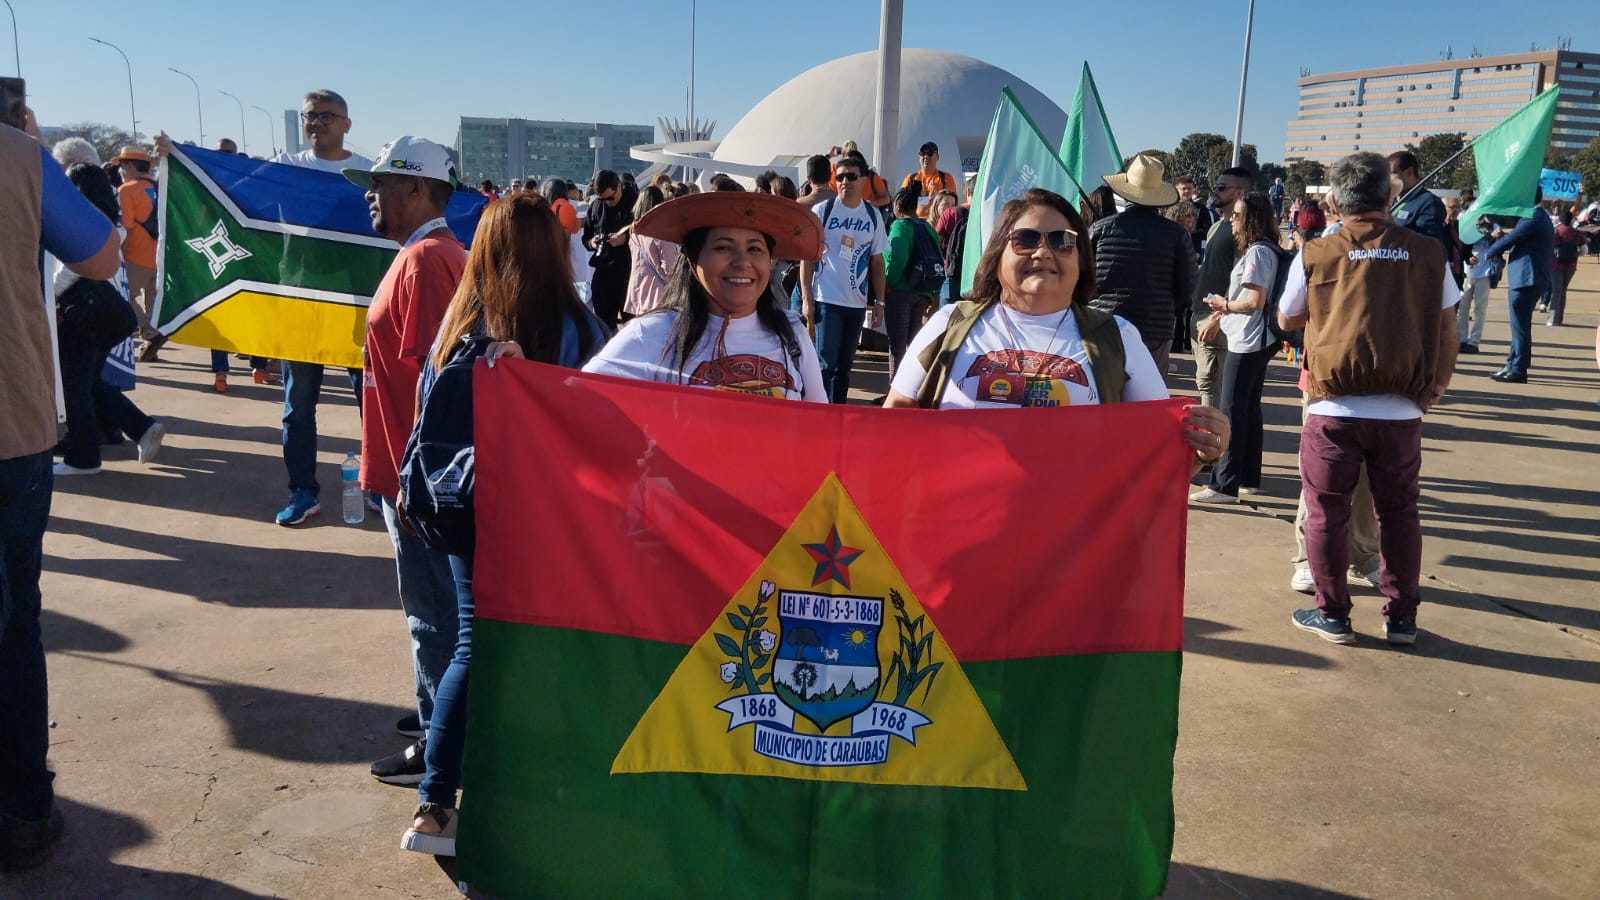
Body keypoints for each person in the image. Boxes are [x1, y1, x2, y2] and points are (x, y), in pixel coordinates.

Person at [400, 193, 609, 857]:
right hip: (548, 513)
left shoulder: (456, 326)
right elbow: (600, 423)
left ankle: (437, 805)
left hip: (464, 507)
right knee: (550, 647)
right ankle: (543, 789)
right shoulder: (577, 326)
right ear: (555, 248)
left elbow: (424, 421)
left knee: (473, 643)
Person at [881, 187, 1229, 461]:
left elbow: (1157, 451)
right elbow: (890, 428)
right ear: (997, 254)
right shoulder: (949, 325)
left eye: (1062, 241)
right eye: (1026, 240)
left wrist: (1203, 448)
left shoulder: (1117, 338)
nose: (1043, 252)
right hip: (956, 536)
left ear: (1081, 261)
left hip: (1071, 546)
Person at [1, 107, 122, 873]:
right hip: (11, 425)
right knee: (14, 621)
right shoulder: (18, 156)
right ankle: (20, 812)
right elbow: (105, 256)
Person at [1278, 151, 1458, 646]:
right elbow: (1448, 328)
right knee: (1399, 513)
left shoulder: (1316, 252)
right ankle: (1402, 618)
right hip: (1401, 408)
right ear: (1390, 195)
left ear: (1334, 201)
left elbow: (1286, 318)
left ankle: (1333, 614)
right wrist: (1438, 384)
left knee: (1325, 512)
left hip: (1334, 406)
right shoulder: (1427, 252)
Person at [340, 137, 469, 787]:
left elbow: (437, 386)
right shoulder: (423, 257)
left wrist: (419, 488)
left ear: (418, 191)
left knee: (433, 617)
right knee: (431, 613)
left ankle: (440, 740)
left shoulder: (427, 263)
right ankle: (436, 718)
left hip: (417, 480)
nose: (371, 192)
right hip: (403, 472)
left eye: (384, 181)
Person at [584, 191, 826, 401]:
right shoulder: (649, 335)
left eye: (755, 249)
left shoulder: (792, 334)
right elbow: (575, 403)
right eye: (723, 247)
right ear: (692, 259)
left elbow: (819, 425)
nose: (742, 262)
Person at [51, 163, 166, 477]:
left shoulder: (86, 220)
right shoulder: (108, 219)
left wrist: (51, 295)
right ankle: (142, 427)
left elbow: (74, 267)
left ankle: (84, 457)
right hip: (105, 312)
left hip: (83, 312)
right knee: (89, 383)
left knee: (76, 386)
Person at [1191, 192, 1282, 504]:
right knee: (1247, 409)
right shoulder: (1265, 250)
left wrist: (1223, 304)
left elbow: (1254, 302)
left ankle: (1224, 484)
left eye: (1238, 215)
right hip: (1256, 339)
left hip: (1248, 340)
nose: (1231, 218)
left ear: (1251, 220)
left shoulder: (1257, 253)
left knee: (1231, 410)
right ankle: (1246, 477)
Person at [1088, 154, 1194, 375]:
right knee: (1148, 401)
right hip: (1154, 328)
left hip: (1103, 324)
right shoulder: (1175, 234)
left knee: (1104, 394)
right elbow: (1186, 287)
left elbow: (1080, 277)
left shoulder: (1100, 229)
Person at [798, 155, 886, 403]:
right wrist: (807, 299)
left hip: (856, 304)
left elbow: (877, 262)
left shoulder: (872, 215)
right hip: (827, 300)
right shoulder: (823, 211)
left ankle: (838, 415)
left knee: (845, 367)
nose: (845, 181)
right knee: (826, 365)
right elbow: (807, 258)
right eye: (840, 177)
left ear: (864, 180)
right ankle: (818, 415)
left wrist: (880, 303)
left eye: (851, 176)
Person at [1190, 166, 1254, 409]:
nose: (1214, 192)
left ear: (1240, 193)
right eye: (1214, 187)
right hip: (1201, 314)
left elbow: (1242, 281)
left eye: (1221, 187)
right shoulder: (1219, 226)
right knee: (1205, 383)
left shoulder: (1242, 232)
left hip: (1216, 320)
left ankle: (1213, 444)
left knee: (1210, 384)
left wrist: (1218, 318)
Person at [1481, 190, 1554, 383]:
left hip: (1527, 278)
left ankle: (1518, 369)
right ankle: (1512, 364)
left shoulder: (1533, 217)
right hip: (1530, 277)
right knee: (1519, 324)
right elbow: (1517, 238)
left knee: (1520, 325)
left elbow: (1511, 239)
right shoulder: (1537, 217)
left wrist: (1492, 250)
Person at [883, 186, 942, 376]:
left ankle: (894, 392)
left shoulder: (900, 226)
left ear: (898, 205)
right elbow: (938, 261)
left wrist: (887, 284)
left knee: (897, 345)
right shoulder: (928, 228)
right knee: (914, 345)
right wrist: (934, 295)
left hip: (900, 293)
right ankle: (912, 389)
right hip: (923, 293)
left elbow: (895, 259)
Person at [109, 146, 161, 354]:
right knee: (154, 302)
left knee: (124, 296)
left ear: (130, 166)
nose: (120, 171)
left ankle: (148, 332)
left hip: (136, 254)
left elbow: (126, 227)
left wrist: (119, 255)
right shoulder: (161, 188)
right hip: (161, 255)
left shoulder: (126, 190)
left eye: (122, 166)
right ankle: (153, 341)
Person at [583, 169, 634, 330]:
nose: (607, 202)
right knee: (603, 326)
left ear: (618, 187)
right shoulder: (596, 206)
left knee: (632, 326)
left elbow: (649, 236)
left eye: (610, 198)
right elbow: (586, 237)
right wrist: (593, 243)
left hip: (629, 273)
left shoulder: (635, 202)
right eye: (602, 199)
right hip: (603, 273)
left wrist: (625, 240)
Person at [623, 185, 678, 320]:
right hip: (658, 296)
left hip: (637, 291)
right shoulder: (662, 233)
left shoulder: (634, 232)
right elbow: (670, 268)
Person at [1387, 150, 1448, 257]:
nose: (1388, 179)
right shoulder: (1390, 200)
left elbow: (1431, 244)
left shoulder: (1429, 202)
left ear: (1409, 172)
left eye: (1392, 173)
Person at [1458, 216, 1500, 353]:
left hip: (1485, 273)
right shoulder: (1468, 224)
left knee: (1480, 310)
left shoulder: (1495, 226)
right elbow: (1463, 242)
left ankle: (1474, 342)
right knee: (1462, 309)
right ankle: (1461, 339)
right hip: (1467, 271)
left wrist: (1491, 235)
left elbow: (1501, 243)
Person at [1548, 206, 1586, 327]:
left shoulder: (1555, 231)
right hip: (1571, 265)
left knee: (1556, 290)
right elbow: (1584, 250)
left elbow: (1548, 247)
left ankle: (1552, 319)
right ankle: (1559, 318)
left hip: (1555, 265)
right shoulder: (1577, 233)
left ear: (1560, 218)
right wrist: (1576, 255)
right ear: (1571, 220)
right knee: (1563, 290)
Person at [901, 141, 957, 219]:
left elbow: (952, 206)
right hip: (914, 222)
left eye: (930, 153)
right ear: (919, 157)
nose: (926, 157)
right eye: (922, 154)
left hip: (936, 222)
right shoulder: (910, 178)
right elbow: (900, 204)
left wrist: (937, 198)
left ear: (937, 157)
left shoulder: (946, 178)